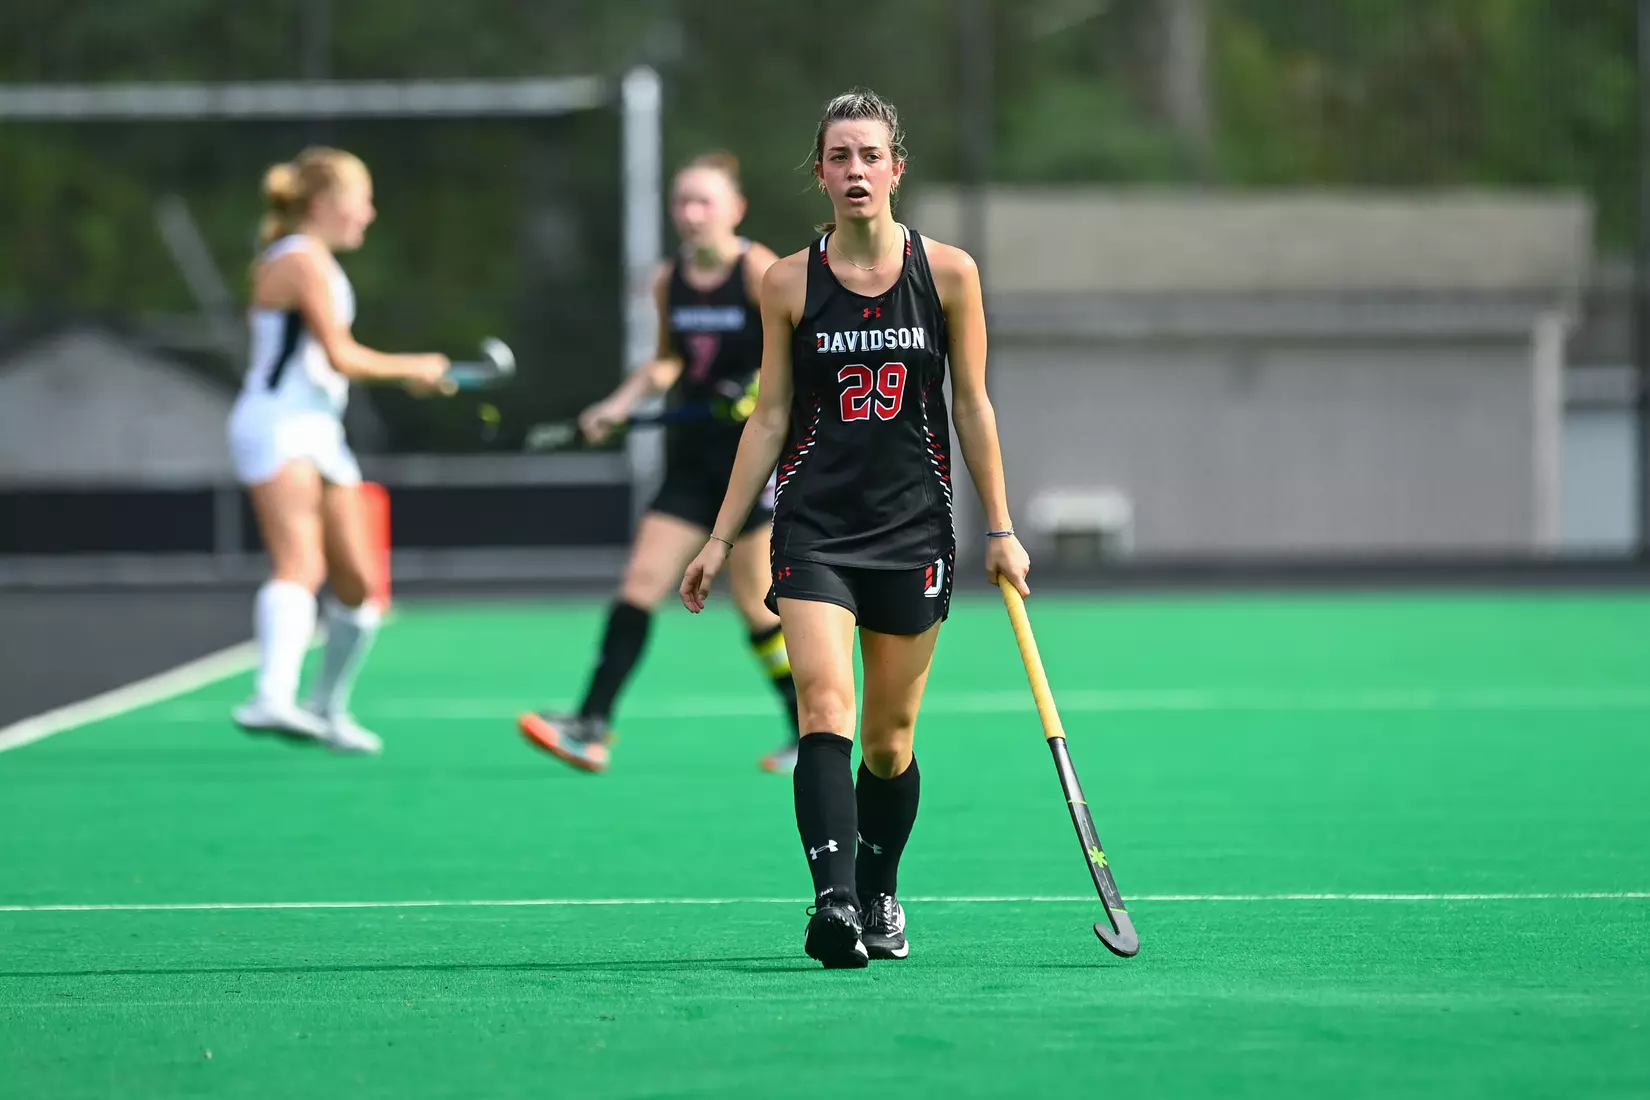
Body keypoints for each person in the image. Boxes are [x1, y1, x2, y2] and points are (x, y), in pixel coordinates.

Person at [680, 91, 1031, 968]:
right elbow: (769, 418)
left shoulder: (948, 272)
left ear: (895, 169)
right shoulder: (787, 280)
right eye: (840, 157)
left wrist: (1002, 528)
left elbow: (973, 404)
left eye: (870, 155)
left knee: (889, 742)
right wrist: (722, 538)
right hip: (815, 528)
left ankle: (880, 889)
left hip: (914, 529)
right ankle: (832, 901)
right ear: (821, 174)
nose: (856, 171)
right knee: (823, 711)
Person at [518, 152, 803, 775]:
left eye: (705, 201)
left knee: (757, 609)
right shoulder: (669, 278)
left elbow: (799, 347)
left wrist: (756, 386)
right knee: (639, 586)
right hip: (691, 464)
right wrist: (614, 407)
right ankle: (590, 722)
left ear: (736, 209)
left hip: (749, 464)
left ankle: (812, 730)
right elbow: (669, 361)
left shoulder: (758, 270)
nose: (692, 214)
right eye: (683, 202)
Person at [228, 147, 453, 753]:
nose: (370, 213)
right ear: (326, 203)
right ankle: (270, 697)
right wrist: (416, 366)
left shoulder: (321, 262)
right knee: (301, 564)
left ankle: (325, 707)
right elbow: (341, 355)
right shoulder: (298, 261)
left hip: (320, 430)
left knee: (359, 585)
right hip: (276, 425)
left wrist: (413, 373)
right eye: (363, 199)